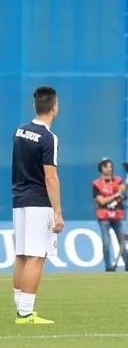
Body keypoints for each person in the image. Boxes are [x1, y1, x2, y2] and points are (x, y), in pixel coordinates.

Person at [11, 86, 63, 325]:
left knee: (22, 255)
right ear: (54, 107)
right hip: (38, 202)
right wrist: (58, 213)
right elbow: (50, 177)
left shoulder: (20, 130)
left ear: (35, 105)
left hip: (19, 199)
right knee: (36, 256)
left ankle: (20, 307)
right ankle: (25, 314)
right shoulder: (48, 137)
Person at [92, 158, 128, 273]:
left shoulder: (118, 180)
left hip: (117, 216)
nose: (109, 169)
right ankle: (108, 266)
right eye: (107, 166)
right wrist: (117, 194)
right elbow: (101, 201)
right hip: (104, 216)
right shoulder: (96, 183)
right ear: (102, 168)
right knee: (106, 242)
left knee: (122, 241)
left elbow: (125, 190)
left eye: (110, 166)